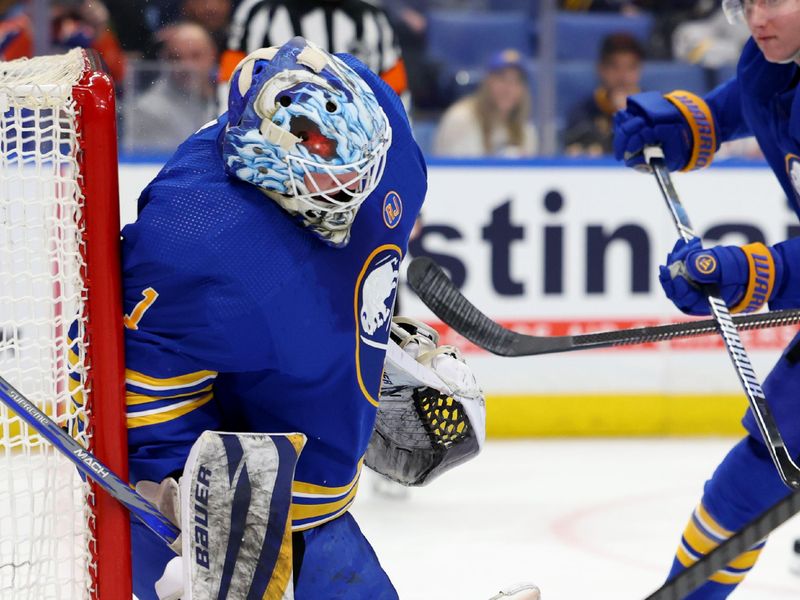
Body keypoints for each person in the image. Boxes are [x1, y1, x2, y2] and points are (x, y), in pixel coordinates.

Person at [117, 36, 529, 600]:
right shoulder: (190, 242)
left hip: (321, 484)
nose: (356, 196)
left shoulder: (388, 138)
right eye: (331, 187)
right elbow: (149, 417)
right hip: (254, 499)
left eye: (361, 175)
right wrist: (188, 540)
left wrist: (363, 354)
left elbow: (371, 248)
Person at [613, 0, 800, 597]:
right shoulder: (770, 60)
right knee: (750, 482)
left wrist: (751, 272)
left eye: (773, 0)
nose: (756, 18)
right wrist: (694, 123)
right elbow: (752, 98)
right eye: (744, 3)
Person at [219, 0, 408, 101]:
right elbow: (231, 83)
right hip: (273, 147)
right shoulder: (259, 12)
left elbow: (395, 93)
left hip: (358, 149)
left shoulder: (374, 18)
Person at [127, 22, 218, 152]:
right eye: (176, 58)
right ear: (165, 60)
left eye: (195, 56)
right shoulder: (147, 109)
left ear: (212, 55)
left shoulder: (229, 96)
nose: (186, 66)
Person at [433, 49, 537, 158]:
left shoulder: (526, 130)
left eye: (516, 82)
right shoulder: (462, 118)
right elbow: (460, 169)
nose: (508, 89)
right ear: (487, 83)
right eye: (502, 79)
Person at [564, 32, 644, 156]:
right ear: (601, 69)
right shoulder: (584, 110)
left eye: (630, 67)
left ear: (639, 70)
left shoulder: (652, 110)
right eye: (615, 67)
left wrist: (626, 113)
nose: (623, 76)